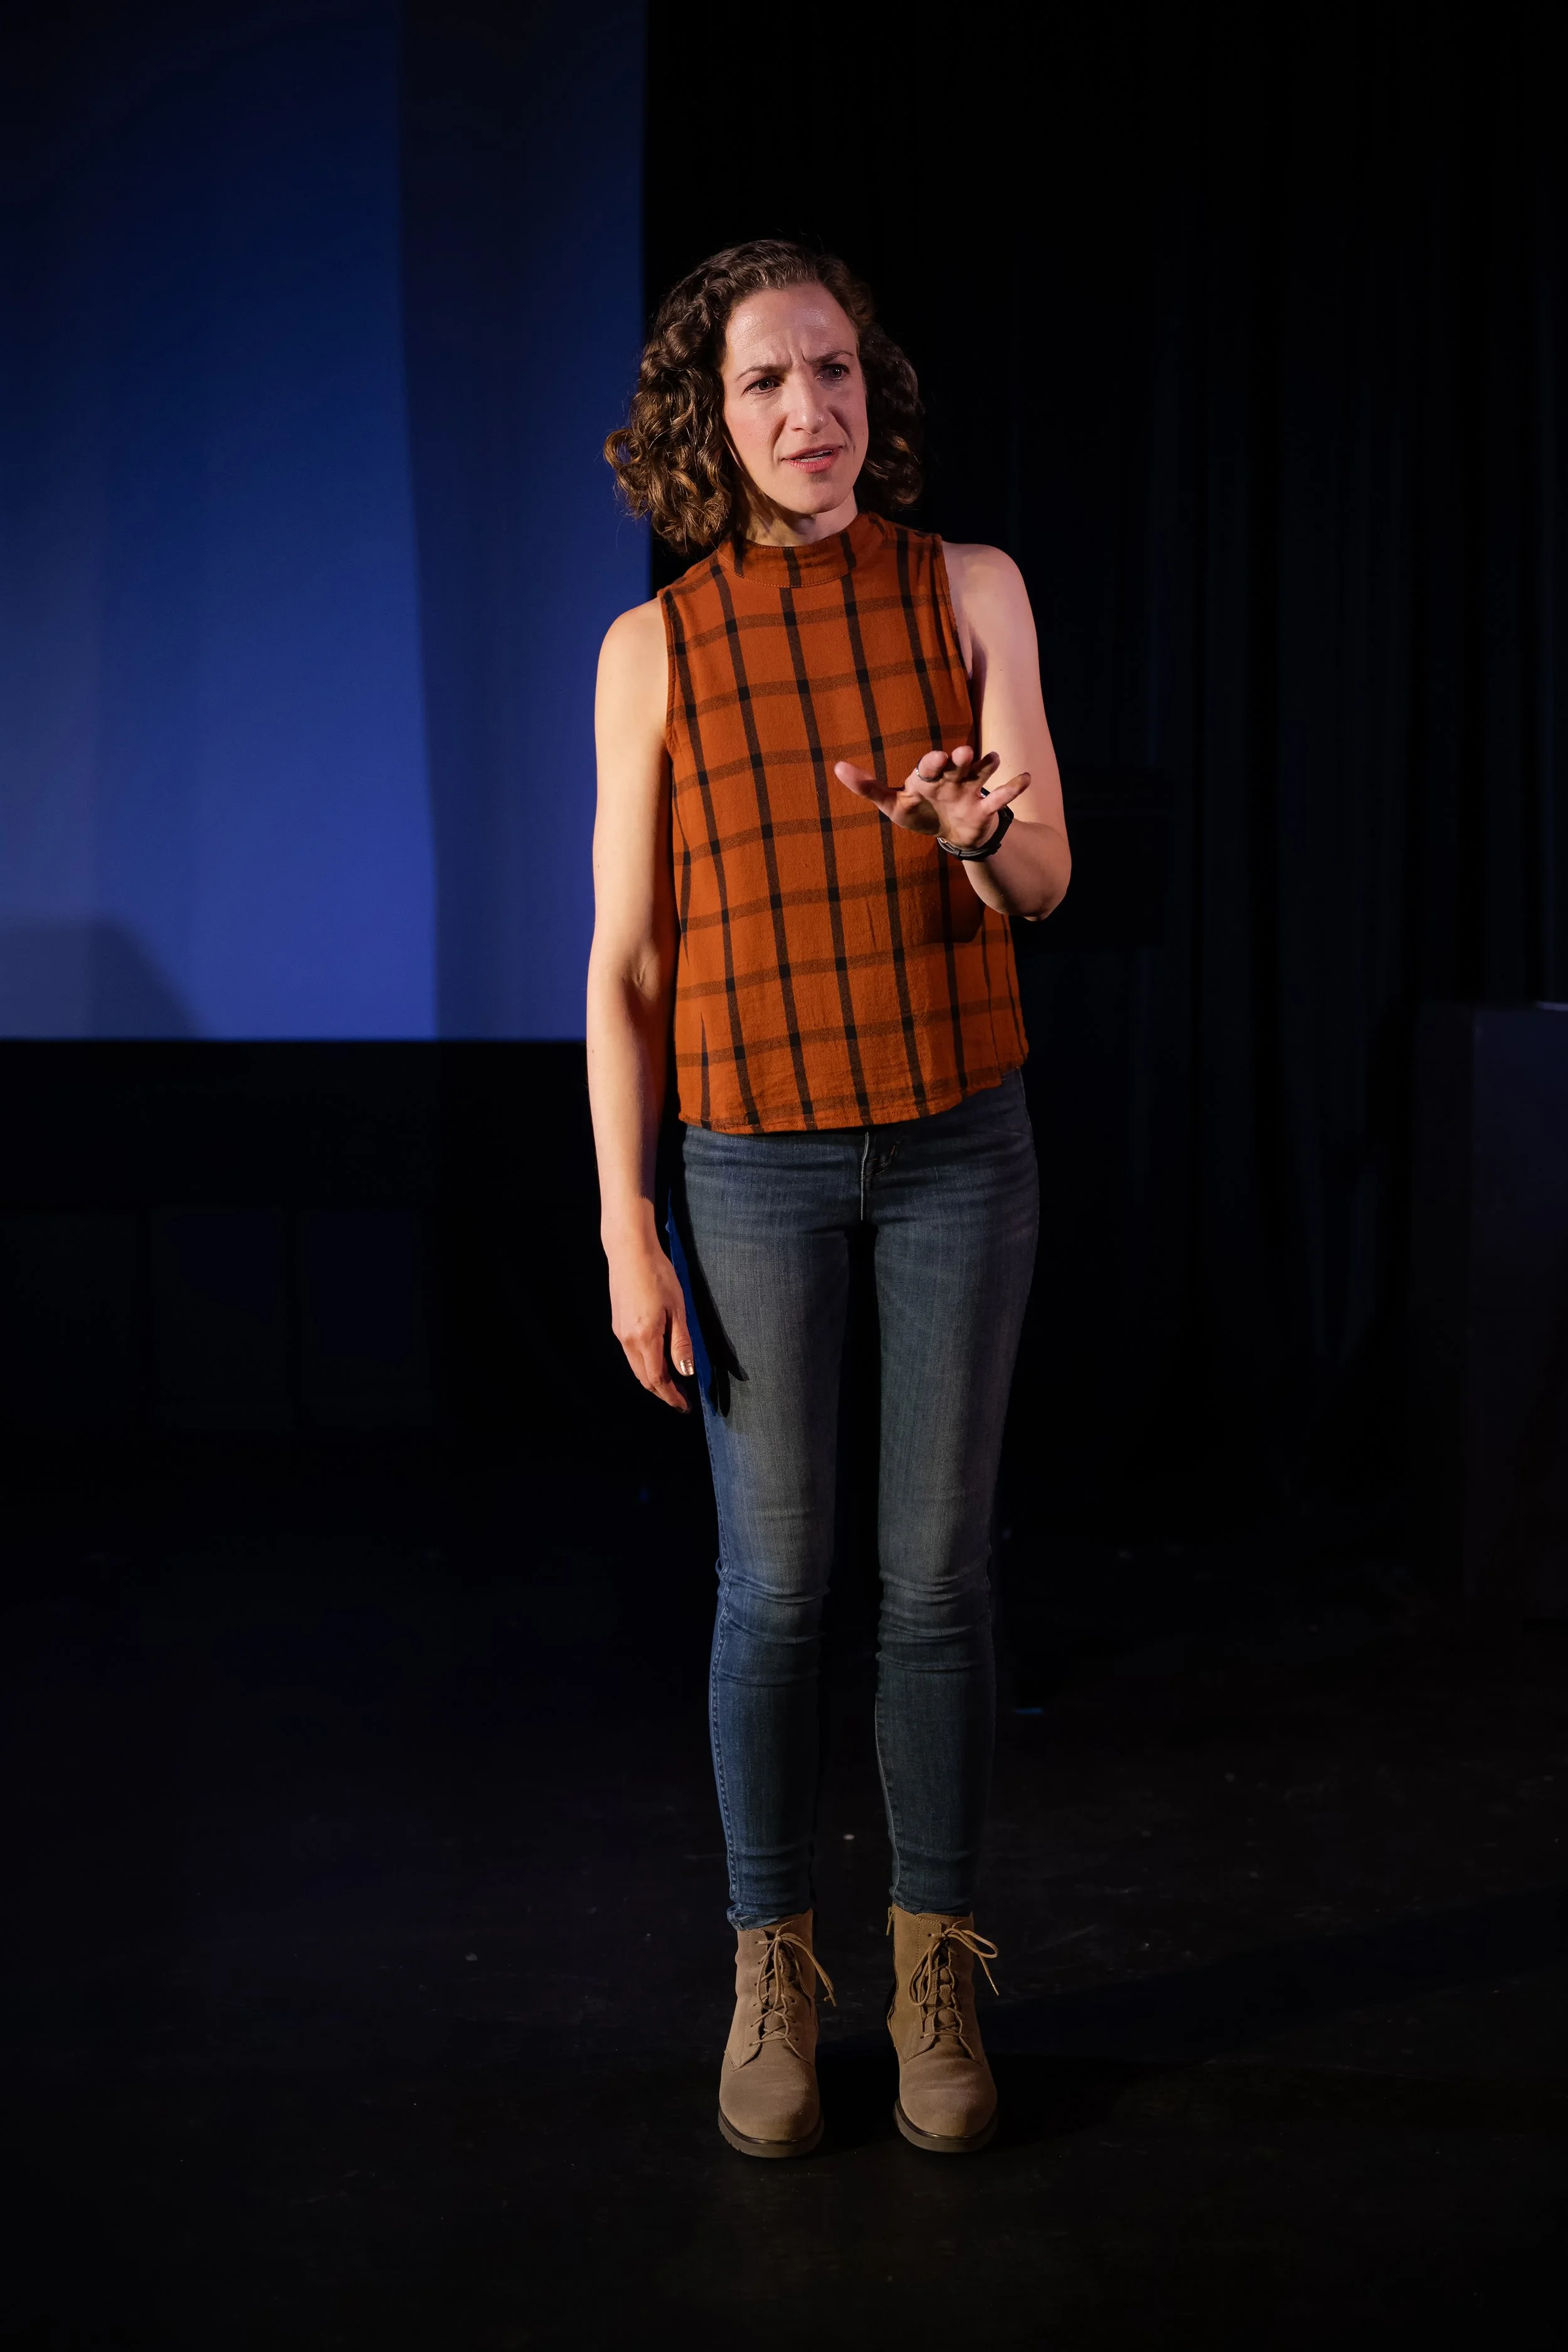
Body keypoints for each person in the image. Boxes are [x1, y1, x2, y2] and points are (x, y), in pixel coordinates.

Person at [588, 240, 1069, 2158]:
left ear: (874, 393)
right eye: (771, 382)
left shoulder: (968, 589)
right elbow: (623, 960)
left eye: (838, 373)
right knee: (776, 1591)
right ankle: (770, 1960)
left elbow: (1043, 884)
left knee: (933, 1586)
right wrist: (629, 1226)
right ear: (709, 421)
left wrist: (977, 839)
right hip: (751, 1161)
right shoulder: (657, 647)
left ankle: (934, 1957)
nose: (813, 411)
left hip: (958, 1140)